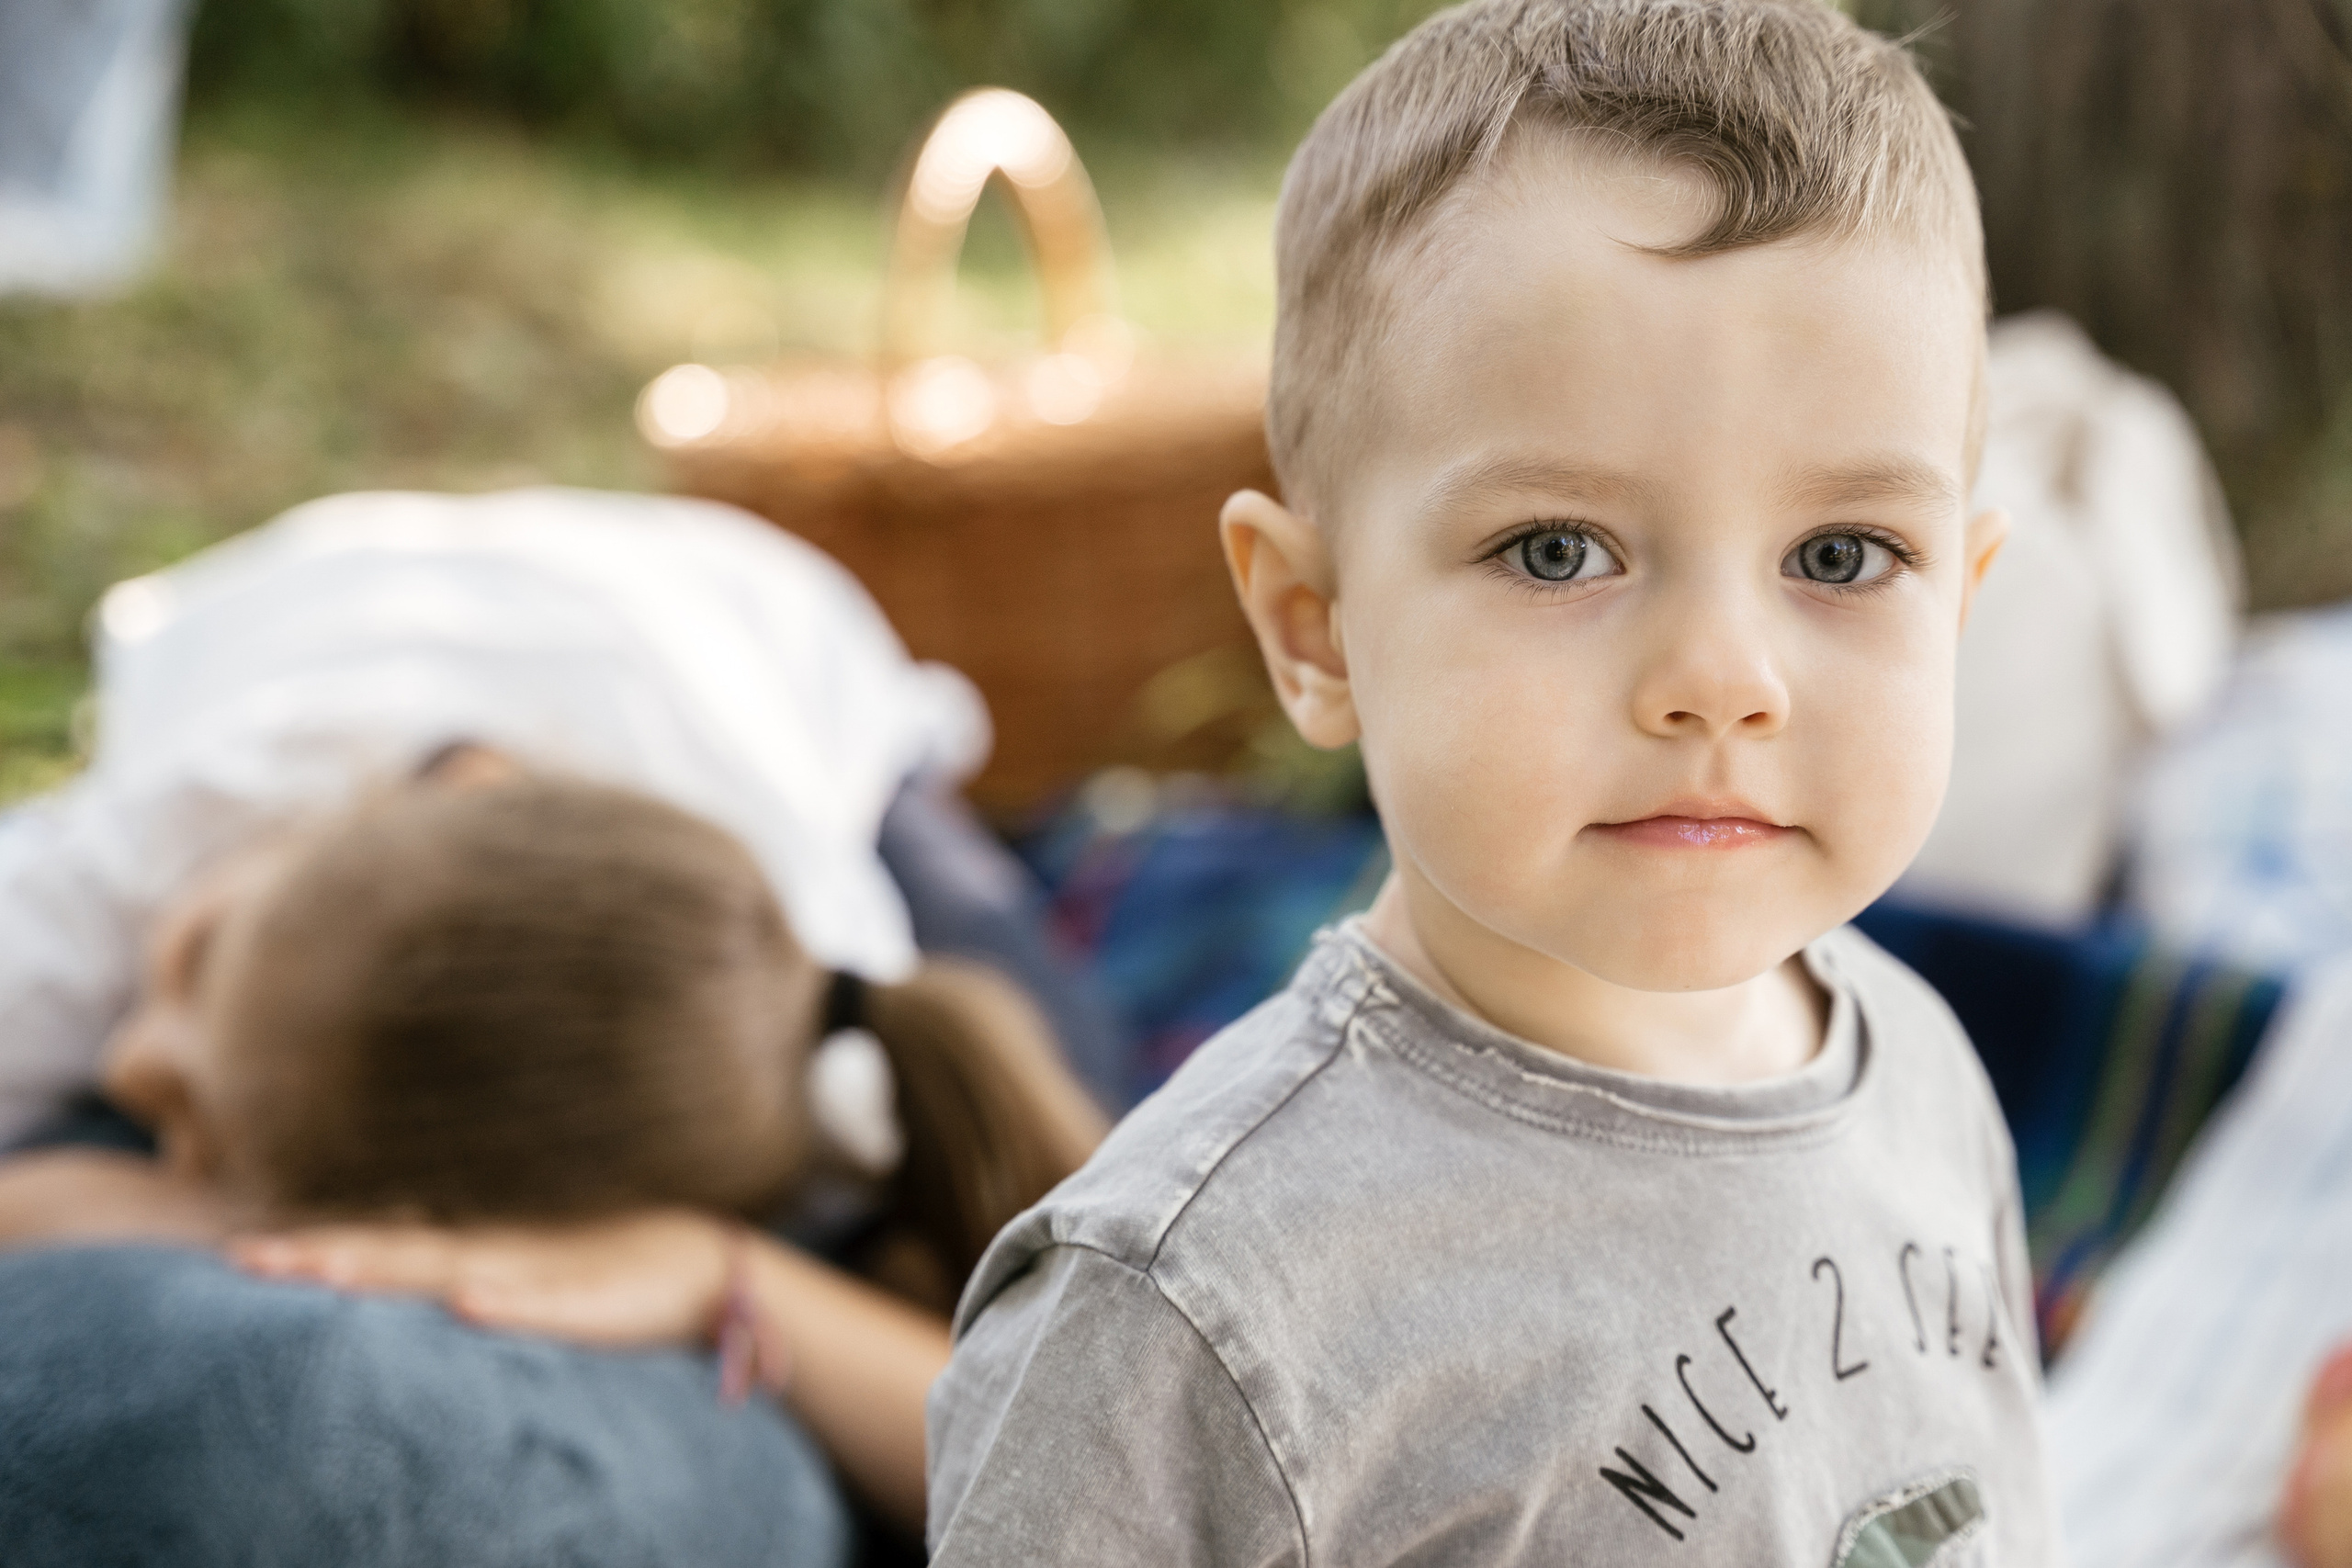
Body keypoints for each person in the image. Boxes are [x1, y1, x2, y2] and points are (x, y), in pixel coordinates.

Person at [916, 0, 2047, 1560]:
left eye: (1842, 555)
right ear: (1315, 630)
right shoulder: (1190, 1314)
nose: (1722, 675)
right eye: (1558, 549)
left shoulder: (1923, 1075)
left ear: (1963, 601)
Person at [0, 766, 1107, 1540]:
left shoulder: (839, 1006)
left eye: (188, 1123)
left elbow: (1103, 1483)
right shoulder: (299, 791)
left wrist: (718, 1266)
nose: (128, 1056)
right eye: (199, 955)